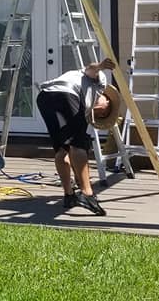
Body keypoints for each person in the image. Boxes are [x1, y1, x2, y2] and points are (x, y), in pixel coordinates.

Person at [35, 57, 117, 216]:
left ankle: (69, 195)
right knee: (79, 145)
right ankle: (87, 194)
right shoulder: (100, 85)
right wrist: (100, 66)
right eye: (105, 109)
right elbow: (90, 69)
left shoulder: (84, 107)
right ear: (106, 98)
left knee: (62, 149)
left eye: (102, 114)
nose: (100, 111)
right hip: (65, 94)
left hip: (45, 98)